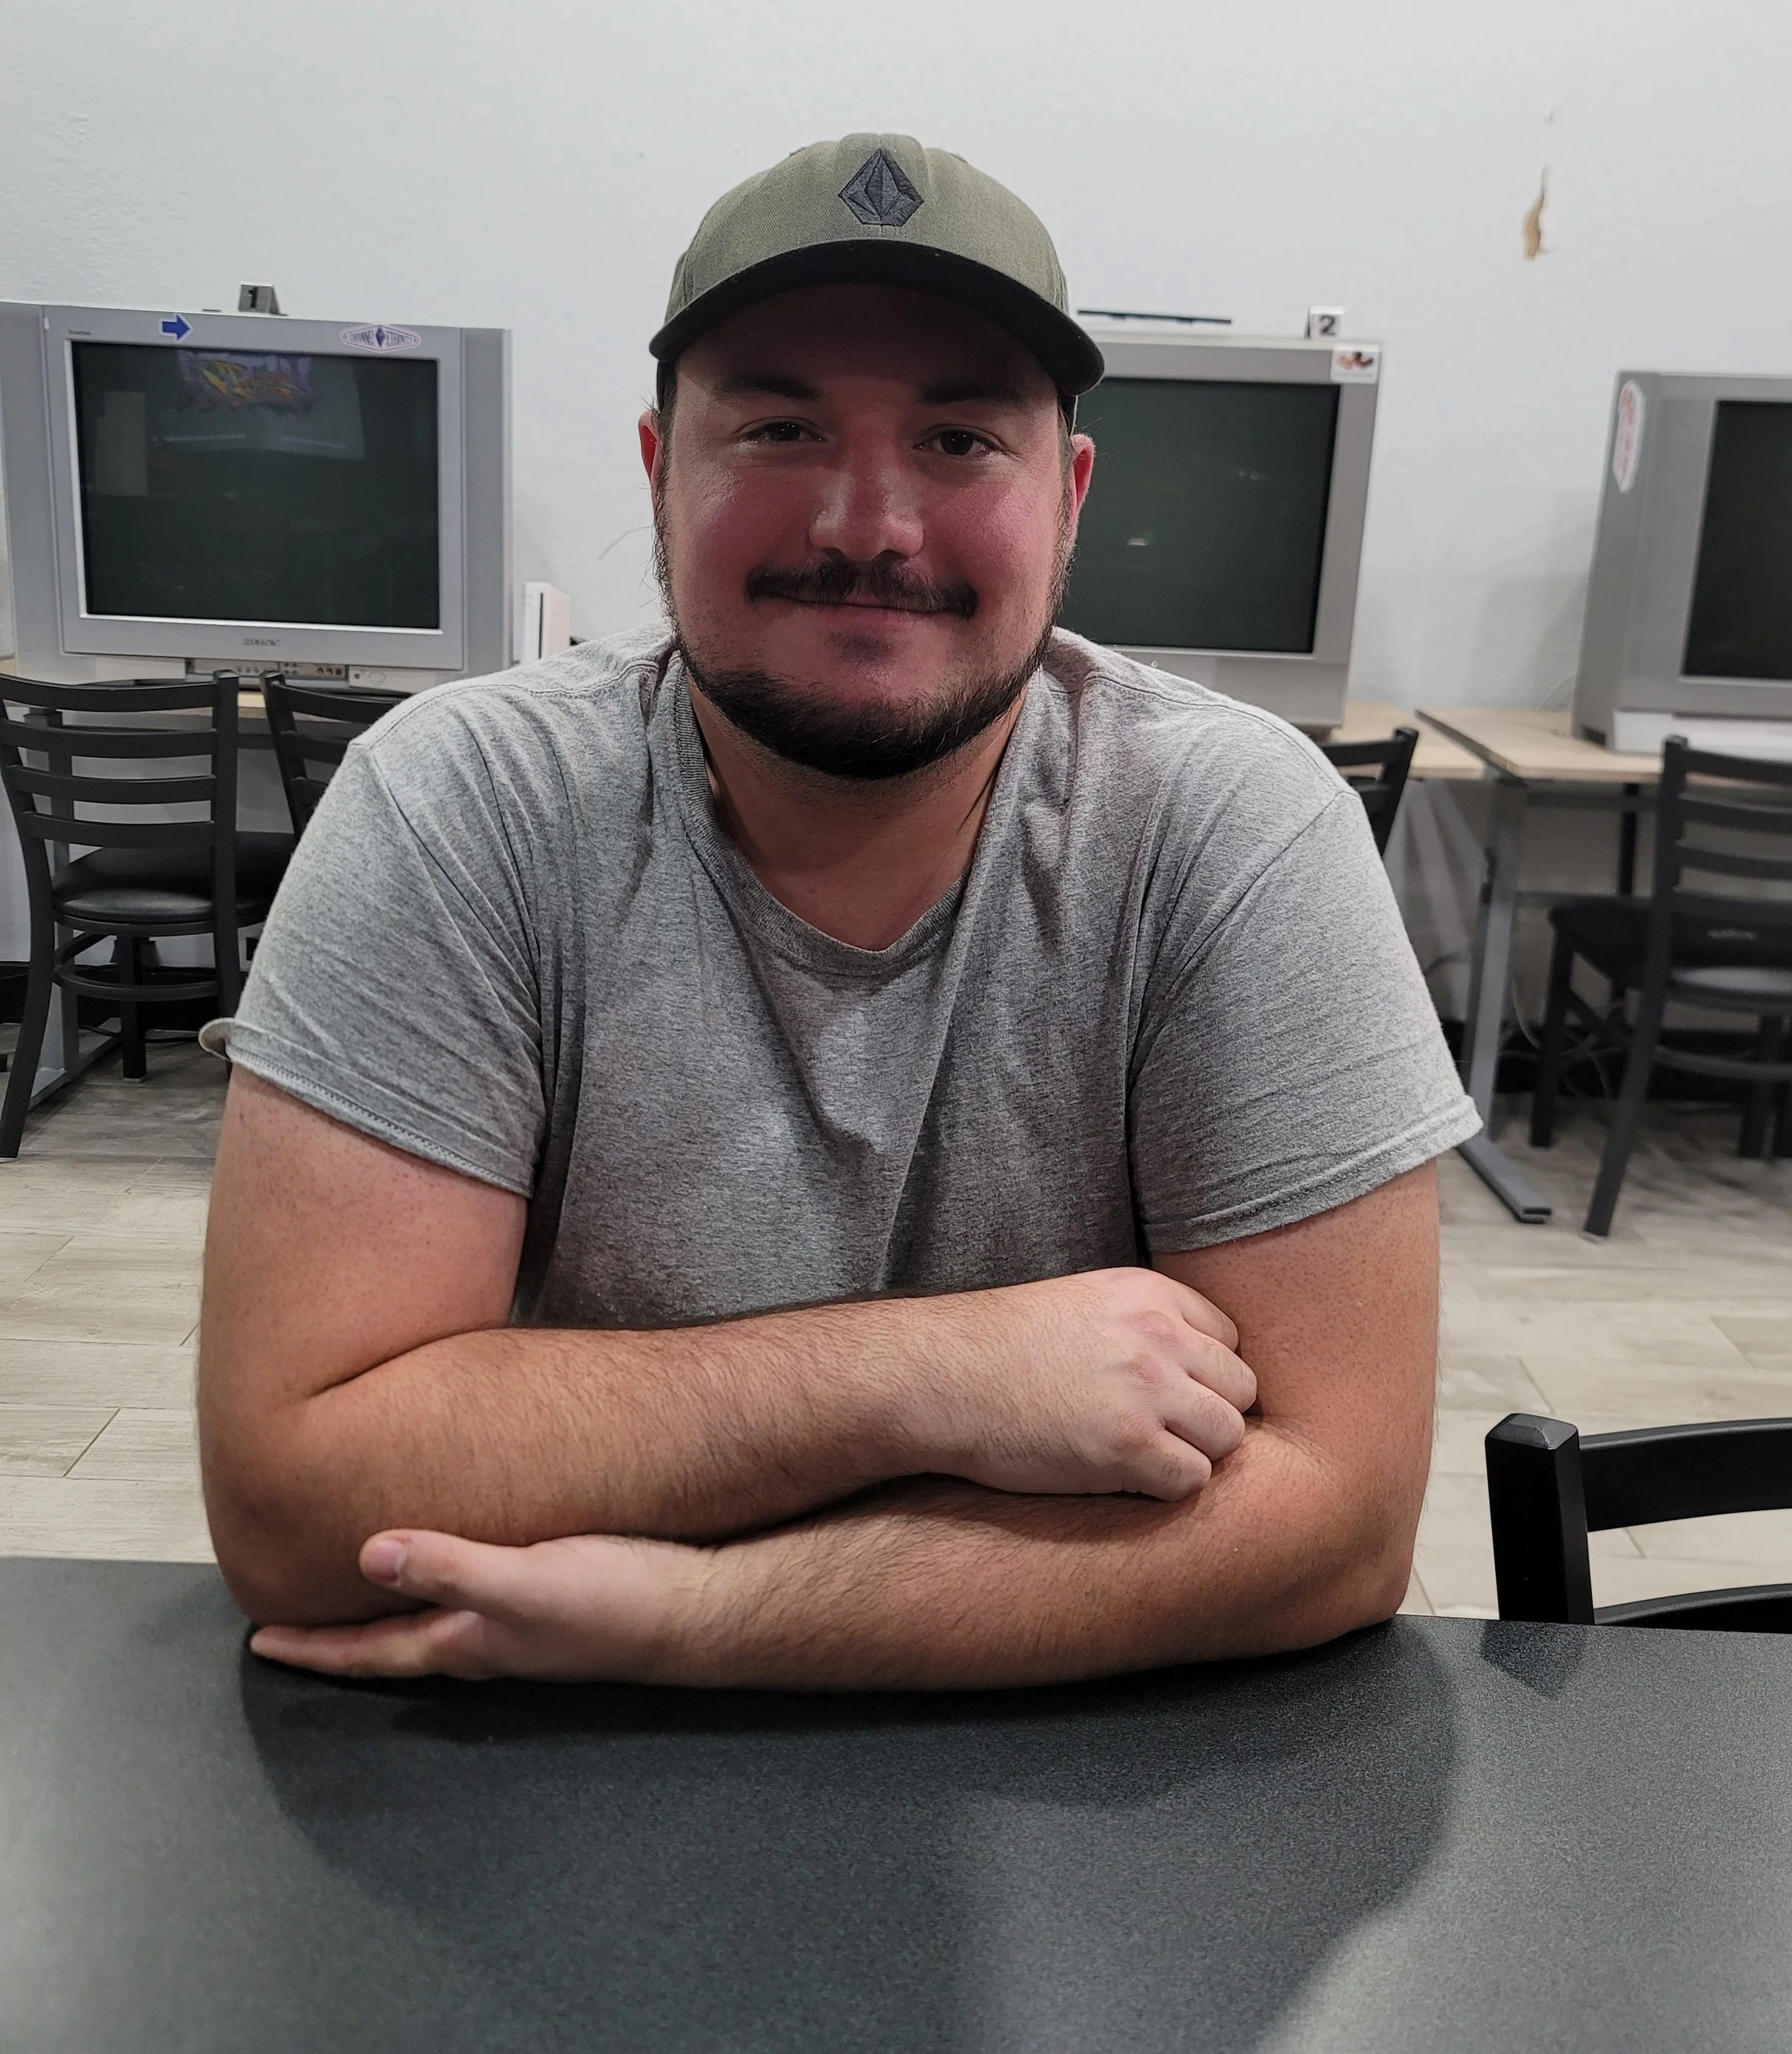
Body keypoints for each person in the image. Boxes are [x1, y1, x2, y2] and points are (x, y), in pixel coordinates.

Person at [198, 134, 1478, 1688]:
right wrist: (928, 1375)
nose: (869, 525)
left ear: (1067, 499)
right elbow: (295, 1503)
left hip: (1091, 1784)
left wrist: (694, 1618)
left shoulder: (1233, 825)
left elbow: (1340, 1518)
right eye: (782, 427)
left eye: (959, 439)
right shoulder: (462, 803)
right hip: (551, 1775)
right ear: (660, 470)